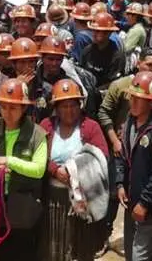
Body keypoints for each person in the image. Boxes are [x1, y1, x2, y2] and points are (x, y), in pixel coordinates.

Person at [0, 78, 48, 258]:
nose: (7, 112)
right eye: (3, 107)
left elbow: (38, 169)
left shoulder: (37, 134)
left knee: (20, 253)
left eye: (13, 108)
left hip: (23, 208)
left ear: (23, 108)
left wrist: (9, 161)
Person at [39, 79, 109, 261]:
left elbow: (101, 157)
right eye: (63, 106)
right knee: (53, 247)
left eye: (73, 105)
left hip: (82, 201)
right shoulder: (46, 126)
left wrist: (74, 172)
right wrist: (54, 170)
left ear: (80, 105)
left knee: (80, 248)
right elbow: (36, 155)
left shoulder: (91, 127)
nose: (69, 111)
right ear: (56, 108)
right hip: (53, 199)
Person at [116, 71, 152, 261]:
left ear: (151, 101)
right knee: (131, 252)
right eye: (132, 97)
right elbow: (123, 155)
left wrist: (144, 202)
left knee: (140, 256)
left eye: (138, 98)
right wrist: (120, 184)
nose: (132, 102)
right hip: (130, 203)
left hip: (148, 208)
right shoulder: (130, 121)